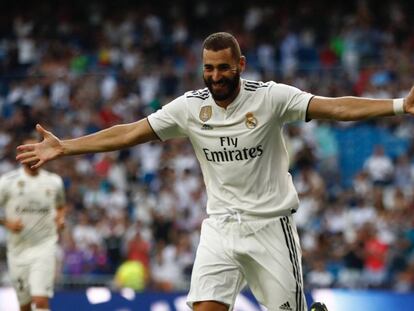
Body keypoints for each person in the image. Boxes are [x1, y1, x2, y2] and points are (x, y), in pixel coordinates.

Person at [16, 32, 414, 311]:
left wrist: (398, 106)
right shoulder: (190, 107)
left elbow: (336, 106)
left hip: (270, 227)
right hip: (220, 227)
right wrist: (66, 146)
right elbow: (131, 132)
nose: (216, 77)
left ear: (240, 64)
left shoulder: (272, 98)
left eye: (223, 68)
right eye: (209, 69)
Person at [0, 137, 66, 311]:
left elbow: (60, 206)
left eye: (35, 149)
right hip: (18, 250)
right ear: (20, 154)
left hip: (44, 247)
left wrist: (60, 218)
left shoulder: (54, 182)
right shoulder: (7, 182)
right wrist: (6, 222)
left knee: (41, 300)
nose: (32, 154)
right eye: (27, 150)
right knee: (25, 305)